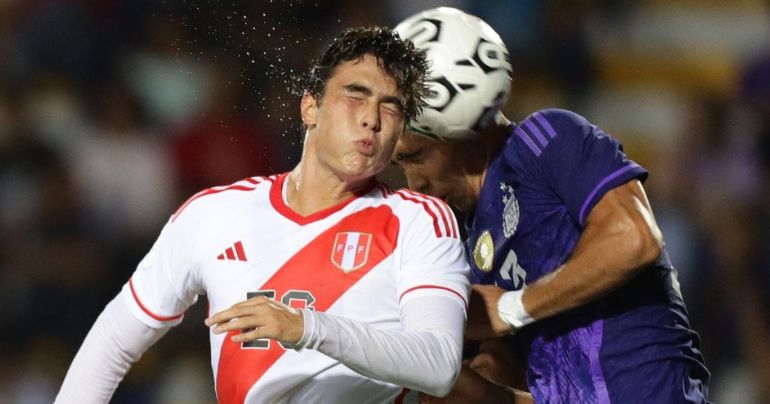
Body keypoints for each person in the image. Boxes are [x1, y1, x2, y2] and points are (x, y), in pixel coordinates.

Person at [55, 27, 473, 404]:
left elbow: (437, 365)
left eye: (390, 108)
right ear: (310, 108)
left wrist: (306, 327)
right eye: (356, 95)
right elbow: (113, 339)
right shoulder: (214, 213)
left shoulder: (419, 221)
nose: (370, 119)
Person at [392, 7, 711, 403]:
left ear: (459, 126)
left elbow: (634, 238)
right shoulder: (472, 243)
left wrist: (510, 307)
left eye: (415, 157)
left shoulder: (545, 139)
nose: (414, 183)